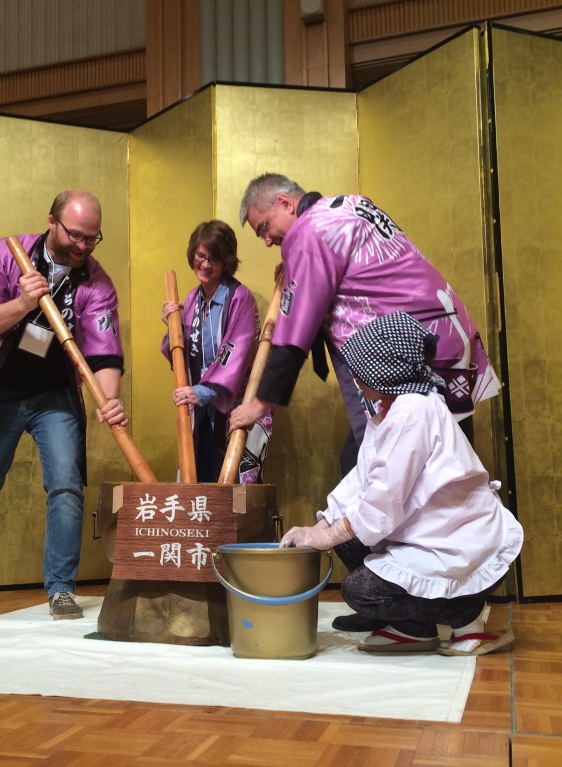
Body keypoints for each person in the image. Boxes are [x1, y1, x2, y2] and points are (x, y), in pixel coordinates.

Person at [229, 173, 500, 631]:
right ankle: (400, 605)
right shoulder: (349, 205)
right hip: (442, 339)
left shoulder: (309, 230)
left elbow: (296, 326)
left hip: (408, 359)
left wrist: (262, 402)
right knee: (380, 467)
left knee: (420, 482)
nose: (267, 239)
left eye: (263, 227)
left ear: (282, 203)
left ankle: (445, 606)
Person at [0, 189, 127, 620]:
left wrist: (109, 399)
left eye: (92, 238)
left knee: (65, 487)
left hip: (54, 394)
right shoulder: (7, 254)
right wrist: (22, 301)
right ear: (52, 223)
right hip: (0, 389)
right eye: (75, 235)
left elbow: (105, 353)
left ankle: (60, 588)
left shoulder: (95, 281)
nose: (82, 246)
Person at [279, 311, 522, 655]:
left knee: (361, 592)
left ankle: (466, 616)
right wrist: (321, 524)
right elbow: (361, 481)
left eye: (359, 366)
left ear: (381, 368)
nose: (353, 374)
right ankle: (414, 628)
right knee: (344, 535)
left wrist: (330, 534)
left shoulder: (414, 410)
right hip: (428, 532)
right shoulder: (390, 411)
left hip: (456, 541)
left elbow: (383, 499)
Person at [160, 220, 269, 483]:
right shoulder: (190, 299)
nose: (206, 265)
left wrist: (201, 392)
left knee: (233, 490)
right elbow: (182, 354)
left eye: (215, 259)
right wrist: (172, 327)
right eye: (201, 256)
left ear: (226, 261)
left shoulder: (239, 297)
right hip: (202, 409)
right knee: (201, 483)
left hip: (237, 406)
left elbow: (238, 353)